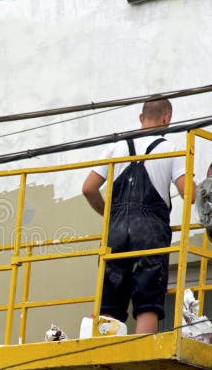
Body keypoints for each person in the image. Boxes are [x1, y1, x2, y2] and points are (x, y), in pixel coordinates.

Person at [81, 98, 196, 334]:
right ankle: (141, 351)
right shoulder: (172, 149)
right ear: (167, 117)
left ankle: (105, 355)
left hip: (116, 232)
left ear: (141, 118)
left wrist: (109, 217)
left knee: (109, 304)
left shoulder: (116, 147)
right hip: (150, 233)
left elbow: (88, 188)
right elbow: (189, 195)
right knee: (147, 304)